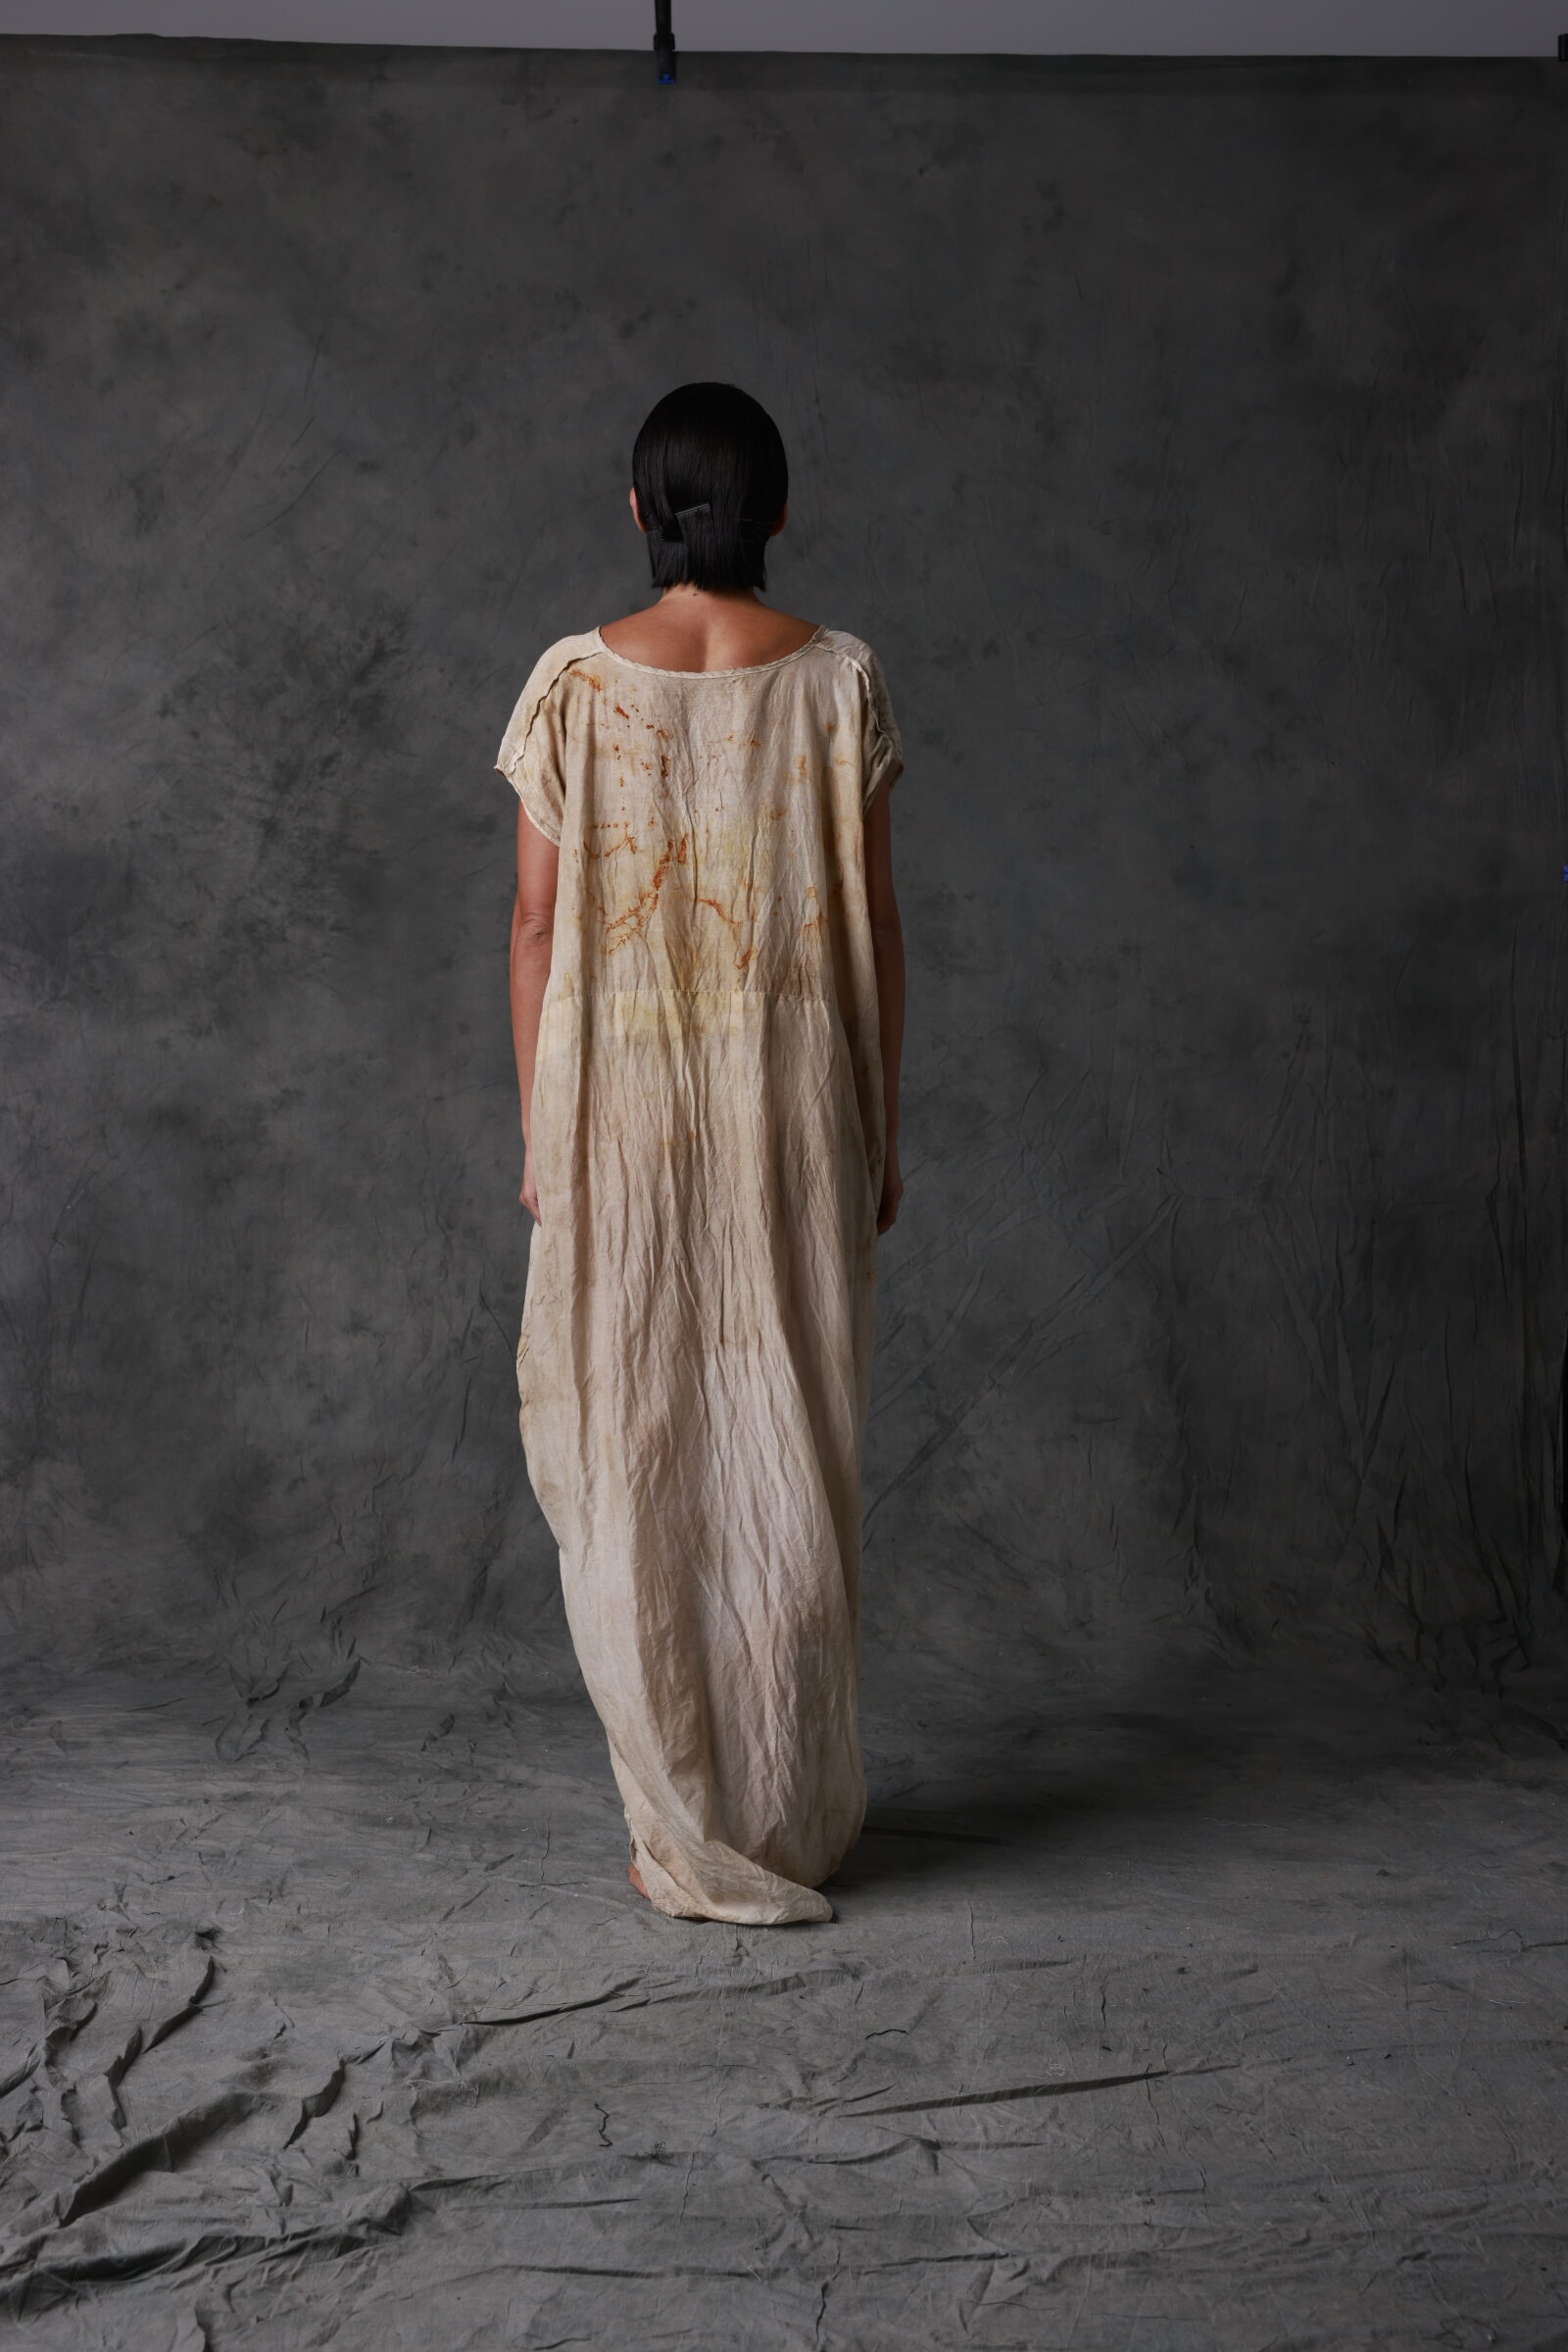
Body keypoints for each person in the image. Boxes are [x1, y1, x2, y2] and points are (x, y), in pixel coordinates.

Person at [496, 381, 906, 1925]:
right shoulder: (839, 680)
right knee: (789, 1435)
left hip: (623, 1098)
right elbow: (876, 928)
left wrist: (542, 1129)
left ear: (638, 510)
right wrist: (879, 1123)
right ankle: (786, 1810)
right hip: (797, 1096)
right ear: (777, 510)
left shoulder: (573, 684)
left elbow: (536, 925)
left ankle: (683, 1815)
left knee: (635, 1443)